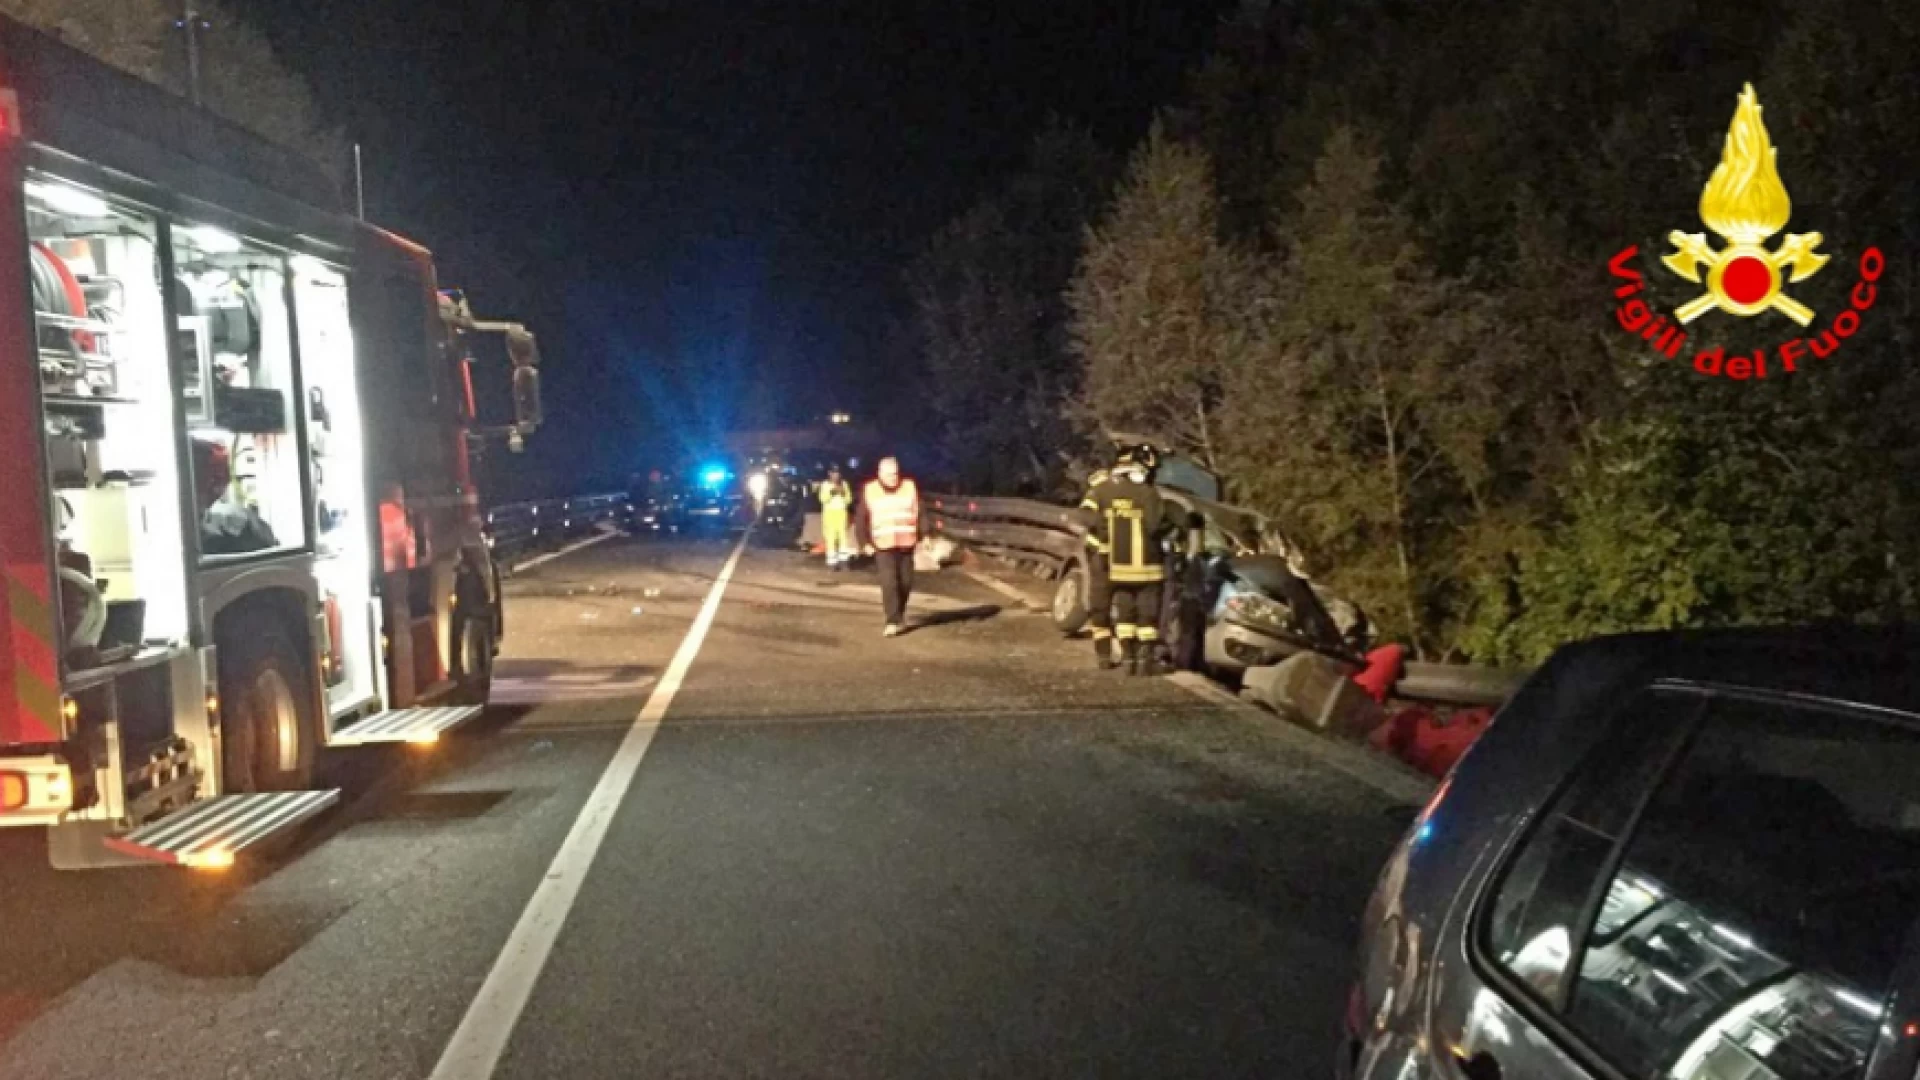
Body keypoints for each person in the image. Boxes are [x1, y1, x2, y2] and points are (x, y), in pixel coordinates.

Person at [1084, 445, 1173, 675]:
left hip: (1115, 565)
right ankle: (1142, 661)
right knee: (1147, 615)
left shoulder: (1101, 489)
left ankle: (1122, 658)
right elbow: (1155, 526)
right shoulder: (1148, 493)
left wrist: (1103, 536)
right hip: (1148, 566)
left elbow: (1085, 517)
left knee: (1116, 612)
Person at [855, 455, 921, 637]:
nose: (893, 478)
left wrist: (925, 534)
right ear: (880, 474)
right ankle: (892, 620)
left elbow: (919, 511)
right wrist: (864, 543)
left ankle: (899, 615)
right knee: (889, 582)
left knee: (906, 582)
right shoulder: (871, 490)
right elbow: (861, 519)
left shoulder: (909, 487)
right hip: (883, 545)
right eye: (889, 474)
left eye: (895, 474)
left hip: (906, 543)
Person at [1078, 460, 1118, 669]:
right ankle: (1128, 657)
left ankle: (1104, 655)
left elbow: (1085, 516)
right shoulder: (1124, 494)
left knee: (1100, 606)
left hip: (1102, 558)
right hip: (1121, 558)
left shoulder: (1097, 493)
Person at [817, 464, 854, 570]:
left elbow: (849, 499)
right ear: (829, 473)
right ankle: (832, 563)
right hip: (829, 514)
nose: (836, 475)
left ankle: (844, 562)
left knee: (843, 538)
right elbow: (822, 499)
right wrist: (832, 492)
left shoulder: (844, 484)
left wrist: (843, 493)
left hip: (842, 513)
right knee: (831, 538)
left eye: (838, 473)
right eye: (833, 473)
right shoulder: (825, 484)